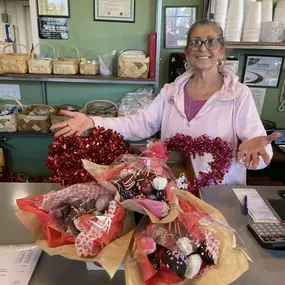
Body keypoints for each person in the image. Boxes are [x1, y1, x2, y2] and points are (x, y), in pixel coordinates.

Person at [51, 19, 281, 186]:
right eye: (195, 42)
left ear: (221, 51)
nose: (203, 48)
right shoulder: (171, 91)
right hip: (173, 192)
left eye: (211, 42)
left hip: (220, 194)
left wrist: (254, 152)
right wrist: (92, 120)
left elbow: (260, 155)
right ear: (187, 52)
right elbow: (138, 124)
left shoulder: (239, 94)